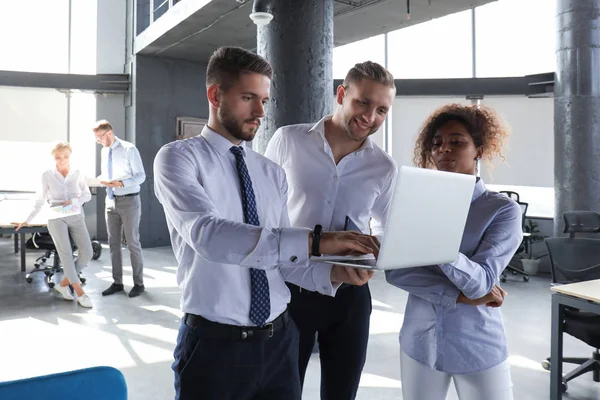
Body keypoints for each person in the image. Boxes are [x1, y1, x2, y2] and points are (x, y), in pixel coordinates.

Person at [153, 46, 380, 400]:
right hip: (214, 347)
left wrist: (334, 274)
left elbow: (280, 261)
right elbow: (209, 235)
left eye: (263, 99)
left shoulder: (271, 172)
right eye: (248, 98)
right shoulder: (179, 159)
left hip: (279, 343)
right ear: (216, 95)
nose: (260, 111)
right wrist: (318, 242)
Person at [264, 61, 397, 400]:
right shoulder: (289, 140)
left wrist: (375, 256)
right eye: (363, 102)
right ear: (341, 94)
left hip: (349, 296)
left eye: (382, 109)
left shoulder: (384, 166)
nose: (371, 116)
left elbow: (387, 230)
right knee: (281, 389)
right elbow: (265, 216)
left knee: (342, 392)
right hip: (291, 290)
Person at [385, 103, 523, 400]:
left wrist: (436, 239)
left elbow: (482, 283)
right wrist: (458, 296)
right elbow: (397, 272)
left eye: (457, 141)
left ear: (479, 150)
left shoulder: (501, 210)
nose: (444, 149)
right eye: (437, 143)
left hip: (477, 344)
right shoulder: (417, 204)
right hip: (419, 342)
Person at [14, 142, 93, 308]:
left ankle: (63, 284)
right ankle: (79, 292)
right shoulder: (47, 175)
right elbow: (40, 200)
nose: (62, 160)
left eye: (65, 156)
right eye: (58, 157)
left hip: (76, 215)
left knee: (87, 252)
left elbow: (87, 195)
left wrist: (74, 200)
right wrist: (27, 219)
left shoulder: (78, 173)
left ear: (70, 155)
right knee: (67, 256)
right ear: (53, 157)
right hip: (56, 217)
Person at [93, 120, 146, 298]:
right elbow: (106, 174)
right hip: (110, 200)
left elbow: (141, 176)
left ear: (109, 133)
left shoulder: (129, 149)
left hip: (129, 201)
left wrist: (121, 183)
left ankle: (139, 284)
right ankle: (117, 282)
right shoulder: (104, 151)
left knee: (132, 243)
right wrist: (98, 180)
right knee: (113, 244)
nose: (98, 141)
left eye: (99, 138)